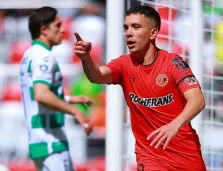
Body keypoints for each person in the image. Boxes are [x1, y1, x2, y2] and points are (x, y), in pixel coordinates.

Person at [74, 5, 206, 171]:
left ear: (153, 33)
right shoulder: (123, 64)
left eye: (136, 27)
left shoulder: (173, 63)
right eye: (126, 28)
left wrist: (174, 125)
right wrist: (86, 58)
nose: (128, 33)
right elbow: (96, 76)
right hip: (150, 156)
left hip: (186, 155)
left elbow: (197, 100)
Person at [19, 7, 93, 171]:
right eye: (58, 25)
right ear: (44, 30)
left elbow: (36, 94)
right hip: (50, 141)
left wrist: (70, 99)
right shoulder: (44, 57)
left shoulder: (29, 54)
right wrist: (76, 111)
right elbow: (41, 95)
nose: (63, 29)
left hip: (40, 142)